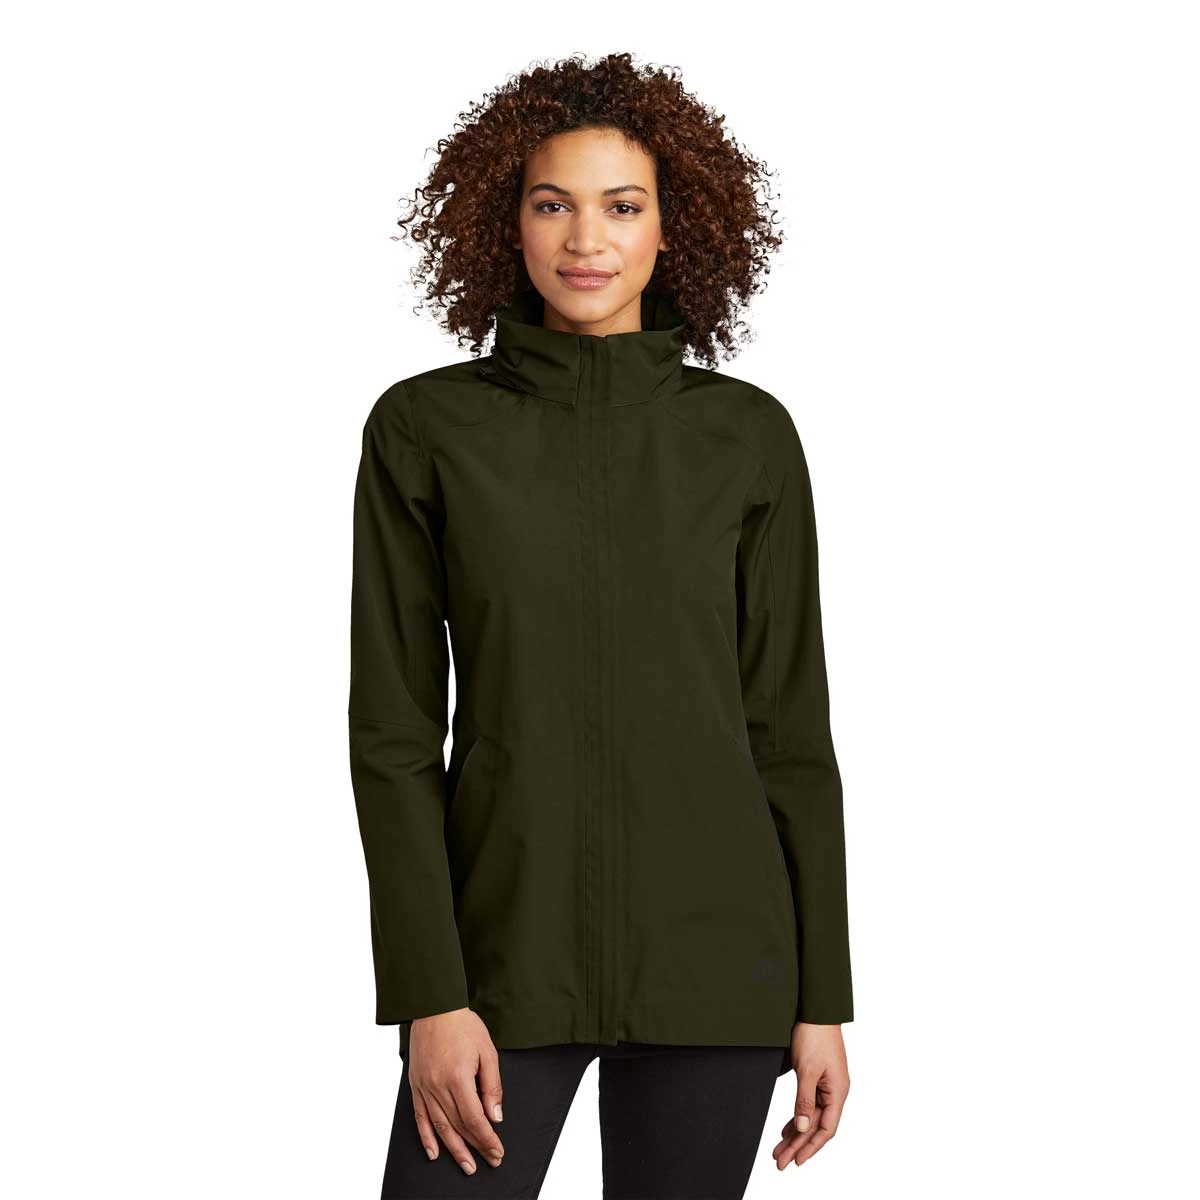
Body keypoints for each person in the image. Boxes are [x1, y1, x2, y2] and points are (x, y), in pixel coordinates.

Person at [347, 52, 854, 1200]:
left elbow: (791, 736)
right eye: (552, 204)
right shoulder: (426, 430)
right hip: (499, 961)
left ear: (673, 230)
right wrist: (429, 993)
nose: (588, 239)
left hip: (720, 968)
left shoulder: (746, 439)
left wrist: (822, 998)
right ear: (508, 224)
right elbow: (392, 737)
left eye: (623, 207)